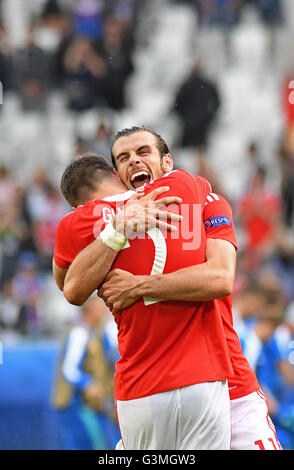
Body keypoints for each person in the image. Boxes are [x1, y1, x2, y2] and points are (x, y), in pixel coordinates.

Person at [54, 127, 282, 450]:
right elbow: (70, 287)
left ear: (167, 162)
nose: (134, 160)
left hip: (231, 385)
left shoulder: (207, 202)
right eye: (124, 157)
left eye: (143, 152)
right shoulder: (112, 222)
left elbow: (219, 278)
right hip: (158, 388)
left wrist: (140, 286)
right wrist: (117, 226)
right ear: (118, 178)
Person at [51, 295, 120, 450]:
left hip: (96, 403)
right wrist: (87, 384)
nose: (103, 309)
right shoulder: (79, 332)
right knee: (83, 444)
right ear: (89, 308)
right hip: (76, 403)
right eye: (99, 305)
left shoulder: (101, 331)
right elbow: (69, 369)